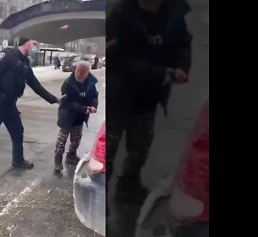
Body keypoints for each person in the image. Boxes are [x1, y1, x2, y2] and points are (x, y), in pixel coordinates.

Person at [106, 0, 192, 201]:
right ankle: (101, 201)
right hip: (119, 97)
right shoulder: (121, 14)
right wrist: (157, 73)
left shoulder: (174, 12)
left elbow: (183, 43)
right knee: (108, 151)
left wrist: (181, 66)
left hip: (148, 97)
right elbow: (116, 58)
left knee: (140, 148)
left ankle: (128, 186)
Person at [0, 38, 60, 185]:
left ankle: (18, 160)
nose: (35, 47)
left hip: (10, 105)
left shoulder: (25, 62)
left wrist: (54, 99)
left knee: (18, 131)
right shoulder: (6, 56)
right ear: (26, 43)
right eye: (34, 44)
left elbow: (35, 85)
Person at [54, 61, 98, 172]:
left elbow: (94, 96)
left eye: (83, 72)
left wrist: (93, 105)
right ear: (75, 69)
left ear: (87, 73)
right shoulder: (68, 83)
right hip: (67, 116)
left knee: (76, 138)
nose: (79, 74)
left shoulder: (91, 83)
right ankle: (58, 159)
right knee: (62, 139)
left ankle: (71, 155)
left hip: (80, 117)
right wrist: (84, 108)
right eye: (78, 70)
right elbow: (67, 102)